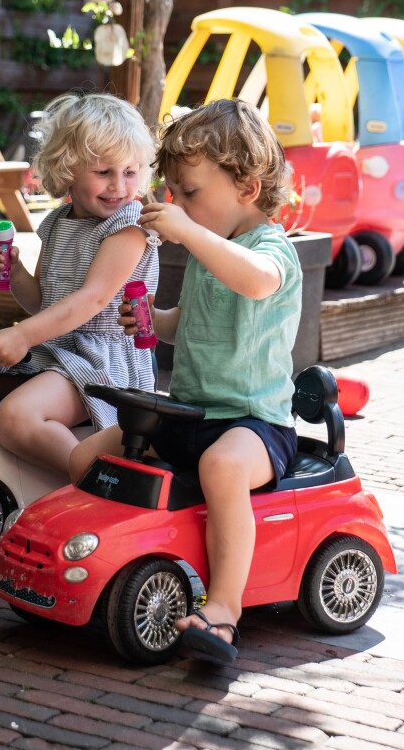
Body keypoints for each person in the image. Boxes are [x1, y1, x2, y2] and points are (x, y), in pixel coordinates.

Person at [68, 98, 302, 664]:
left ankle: (223, 610)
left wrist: (191, 234)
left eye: (190, 192)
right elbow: (190, 321)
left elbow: (255, 282)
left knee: (222, 468)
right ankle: (105, 558)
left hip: (254, 425)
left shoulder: (270, 250)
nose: (177, 204)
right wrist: (154, 319)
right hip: (190, 412)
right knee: (86, 457)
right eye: (172, 192)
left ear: (248, 187)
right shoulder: (208, 251)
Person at [0, 92, 159, 476]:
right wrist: (15, 271)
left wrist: (23, 335)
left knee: (15, 417)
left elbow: (92, 300)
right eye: (104, 172)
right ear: (67, 169)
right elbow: (42, 300)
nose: (119, 186)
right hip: (53, 351)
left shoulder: (128, 226)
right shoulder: (58, 222)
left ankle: (100, 482)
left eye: (129, 172)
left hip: (101, 363)